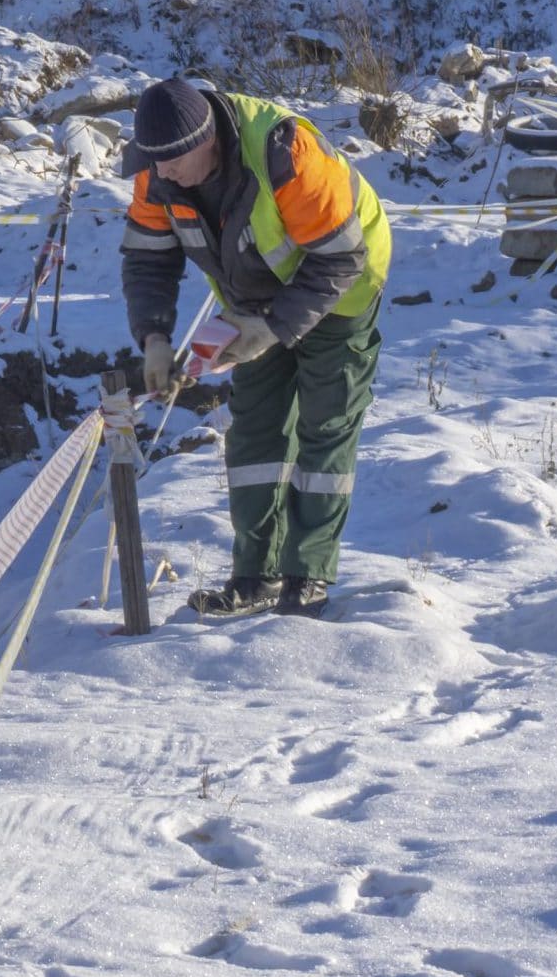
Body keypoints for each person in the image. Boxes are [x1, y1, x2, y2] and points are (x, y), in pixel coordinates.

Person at [120, 78, 389, 619]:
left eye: (173, 161)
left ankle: (306, 575)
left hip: (341, 291)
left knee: (325, 425)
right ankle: (256, 575)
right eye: (155, 162)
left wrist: (274, 330)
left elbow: (339, 260)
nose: (163, 173)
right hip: (253, 301)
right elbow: (149, 260)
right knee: (255, 431)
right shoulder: (157, 170)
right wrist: (154, 339)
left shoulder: (285, 151)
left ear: (208, 139)